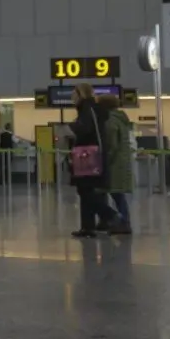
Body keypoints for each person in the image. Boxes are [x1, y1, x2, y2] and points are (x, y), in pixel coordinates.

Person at [68, 83, 118, 238]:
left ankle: (111, 216)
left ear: (80, 94)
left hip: (88, 156)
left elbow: (85, 130)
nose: (72, 97)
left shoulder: (87, 109)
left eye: (73, 93)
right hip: (93, 155)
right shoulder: (92, 109)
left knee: (86, 191)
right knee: (86, 191)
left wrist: (71, 127)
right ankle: (87, 227)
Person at [99, 94, 133, 234]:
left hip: (114, 163)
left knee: (115, 194)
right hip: (121, 161)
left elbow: (111, 144)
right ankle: (112, 220)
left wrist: (104, 160)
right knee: (116, 193)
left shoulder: (110, 121)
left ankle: (123, 221)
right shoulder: (121, 119)